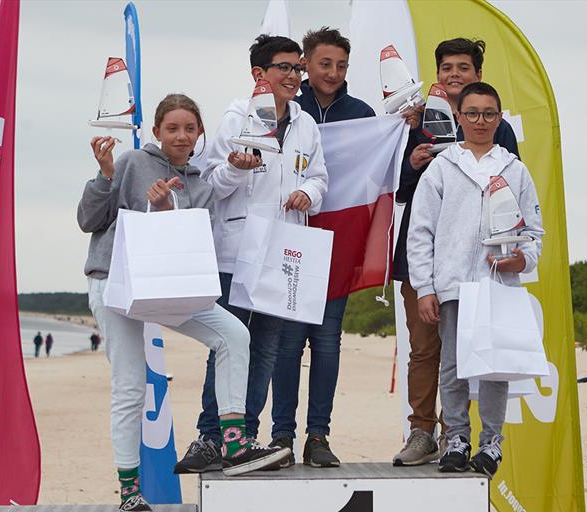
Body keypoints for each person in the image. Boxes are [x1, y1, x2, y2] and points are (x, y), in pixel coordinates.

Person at [77, 94, 289, 512]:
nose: (181, 136)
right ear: (156, 132)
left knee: (234, 334)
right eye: (172, 128)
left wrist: (165, 210)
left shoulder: (202, 186)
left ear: (200, 135)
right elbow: (89, 220)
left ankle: (233, 442)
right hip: (115, 283)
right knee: (132, 384)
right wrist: (105, 177)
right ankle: (129, 491)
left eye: (189, 129)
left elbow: (194, 246)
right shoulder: (133, 162)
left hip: (168, 287)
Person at [174, 35, 328, 474]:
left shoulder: (305, 123)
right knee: (226, 343)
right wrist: (234, 170)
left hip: (285, 250)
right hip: (236, 251)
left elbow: (320, 178)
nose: (294, 77)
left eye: (298, 69)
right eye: (285, 67)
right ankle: (209, 436)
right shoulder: (235, 118)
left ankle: (244, 438)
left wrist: (307, 192)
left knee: (266, 349)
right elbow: (209, 183)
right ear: (259, 74)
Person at [393, 38, 521, 467]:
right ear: (437, 74)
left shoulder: (495, 129)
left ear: (477, 75)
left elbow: (508, 203)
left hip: (484, 268)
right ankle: (421, 432)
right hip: (427, 257)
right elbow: (400, 195)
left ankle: (459, 437)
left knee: (479, 353)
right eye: (446, 67)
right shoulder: (416, 122)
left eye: (463, 68)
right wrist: (412, 165)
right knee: (427, 349)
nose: (453, 75)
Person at [407, 82, 543, 478]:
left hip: (497, 285)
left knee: (495, 366)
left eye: (488, 114)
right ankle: (457, 439)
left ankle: (491, 443)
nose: (480, 121)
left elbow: (533, 231)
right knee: (452, 366)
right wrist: (426, 288)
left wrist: (523, 260)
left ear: (499, 119)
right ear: (458, 117)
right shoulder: (442, 167)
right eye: (472, 113)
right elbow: (421, 232)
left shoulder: (515, 169)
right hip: (453, 285)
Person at [267, 27, 375, 469]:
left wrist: (400, 132)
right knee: (287, 344)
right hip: (290, 239)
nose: (332, 72)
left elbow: (381, 173)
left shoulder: (364, 114)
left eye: (341, 65)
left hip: (339, 243)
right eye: (324, 63)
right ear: (305, 64)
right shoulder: (285, 109)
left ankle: (318, 437)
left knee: (327, 343)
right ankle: (280, 438)